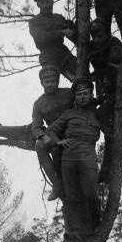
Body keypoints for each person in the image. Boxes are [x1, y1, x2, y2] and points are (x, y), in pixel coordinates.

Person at [46, 78, 102, 240]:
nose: (83, 97)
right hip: (69, 158)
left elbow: (112, 131)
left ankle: (95, 227)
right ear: (75, 97)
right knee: (71, 197)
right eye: (79, 94)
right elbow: (51, 130)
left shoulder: (97, 114)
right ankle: (73, 232)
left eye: (86, 93)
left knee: (90, 193)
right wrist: (59, 141)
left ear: (91, 95)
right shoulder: (69, 114)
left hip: (88, 156)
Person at [89, 19, 122, 182]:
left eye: (100, 35)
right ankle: (106, 172)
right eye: (94, 36)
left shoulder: (113, 44)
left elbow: (114, 58)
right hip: (113, 94)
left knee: (99, 116)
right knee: (108, 130)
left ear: (107, 34)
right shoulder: (96, 49)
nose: (97, 39)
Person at [32, 66, 73, 201]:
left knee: (57, 151)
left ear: (57, 81)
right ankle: (57, 184)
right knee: (39, 145)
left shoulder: (68, 93)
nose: (50, 84)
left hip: (71, 130)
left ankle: (68, 184)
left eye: (53, 81)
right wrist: (43, 137)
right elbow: (37, 125)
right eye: (46, 81)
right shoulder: (39, 103)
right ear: (41, 83)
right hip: (53, 133)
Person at [29, 0, 77, 82]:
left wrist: (73, 30)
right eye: (42, 3)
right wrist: (62, 32)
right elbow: (41, 37)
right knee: (51, 80)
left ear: (52, 1)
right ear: (38, 4)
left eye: (48, 1)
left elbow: (71, 32)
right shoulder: (34, 22)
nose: (46, 5)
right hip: (48, 56)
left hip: (63, 53)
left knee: (80, 73)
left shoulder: (59, 18)